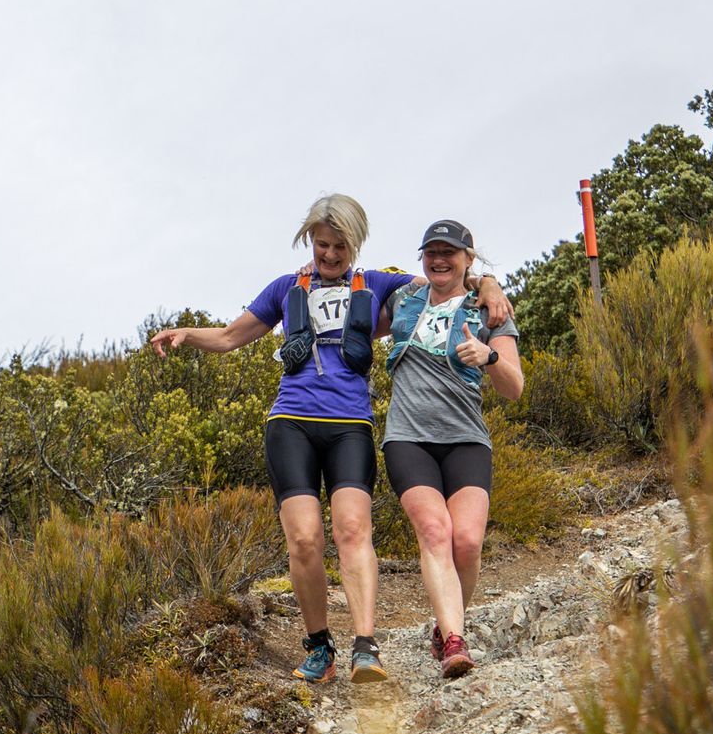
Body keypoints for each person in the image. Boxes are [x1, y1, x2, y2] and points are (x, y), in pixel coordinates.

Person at [149, 195, 512, 684]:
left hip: (351, 426)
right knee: (304, 540)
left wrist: (488, 283)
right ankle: (320, 646)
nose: (330, 254)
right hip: (291, 423)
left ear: (355, 245)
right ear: (309, 241)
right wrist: (188, 334)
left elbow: (446, 284)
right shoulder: (285, 288)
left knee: (352, 531)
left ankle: (366, 647)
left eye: (340, 245)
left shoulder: (383, 286)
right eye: (322, 244)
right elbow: (232, 336)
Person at [381, 219, 524, 679]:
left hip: (466, 438)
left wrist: (491, 356)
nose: (439, 260)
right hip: (408, 436)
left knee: (467, 542)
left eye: (450, 252)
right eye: (431, 252)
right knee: (435, 532)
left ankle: (446, 628)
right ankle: (455, 643)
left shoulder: (491, 312)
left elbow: (515, 388)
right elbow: (350, 284)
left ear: (468, 258)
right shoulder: (405, 298)